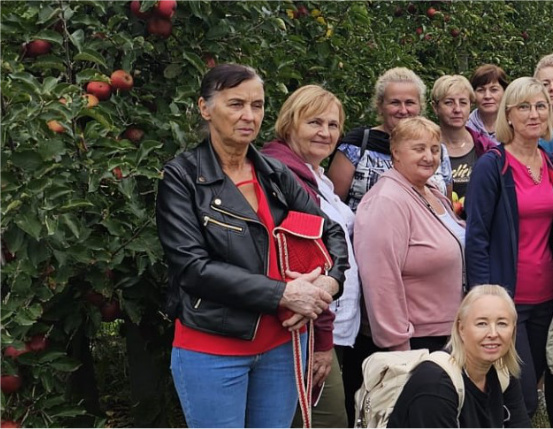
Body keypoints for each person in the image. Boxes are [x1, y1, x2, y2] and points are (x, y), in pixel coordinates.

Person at [156, 64, 349, 428]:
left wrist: (328, 283)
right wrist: (283, 294)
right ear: (204, 108)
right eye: (236, 104)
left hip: (282, 346)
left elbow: (331, 233)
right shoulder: (182, 178)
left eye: (257, 105)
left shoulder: (274, 174)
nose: (249, 116)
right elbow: (193, 269)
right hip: (214, 347)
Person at [464, 77, 553, 427]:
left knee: (534, 385)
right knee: (523, 396)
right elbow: (477, 237)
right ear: (508, 115)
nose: (533, 114)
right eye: (523, 107)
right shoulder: (493, 166)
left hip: (549, 299)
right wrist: (482, 299)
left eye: (540, 106)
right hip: (508, 301)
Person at [261, 85, 358, 428]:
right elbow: (309, 264)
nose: (325, 132)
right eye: (314, 122)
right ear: (289, 124)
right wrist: (322, 339)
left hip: (320, 322)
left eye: (333, 125)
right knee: (327, 419)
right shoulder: (284, 175)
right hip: (302, 326)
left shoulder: (315, 176)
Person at [354, 117, 465, 354]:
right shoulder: (386, 200)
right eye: (418, 149)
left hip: (445, 333)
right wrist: (397, 344)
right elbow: (380, 278)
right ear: (395, 152)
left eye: (435, 149)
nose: (429, 156)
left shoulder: (432, 191)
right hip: (413, 341)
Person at [388, 285, 531, 428]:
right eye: (482, 323)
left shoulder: (502, 373)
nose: (493, 333)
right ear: (461, 329)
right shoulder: (436, 386)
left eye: (502, 323)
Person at [327, 67, 451, 211]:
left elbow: (446, 207)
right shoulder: (357, 145)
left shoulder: (436, 149)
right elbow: (333, 206)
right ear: (380, 106)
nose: (403, 110)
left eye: (410, 102)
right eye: (395, 103)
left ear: (420, 106)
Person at [431, 75, 498, 200]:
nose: (457, 109)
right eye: (449, 103)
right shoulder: (425, 148)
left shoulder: (487, 148)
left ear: (470, 107)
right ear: (435, 107)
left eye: (463, 103)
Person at [468, 64, 509, 142]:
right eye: (481, 90)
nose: (487, 96)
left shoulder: (515, 127)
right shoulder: (465, 128)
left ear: (505, 92)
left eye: (494, 90)